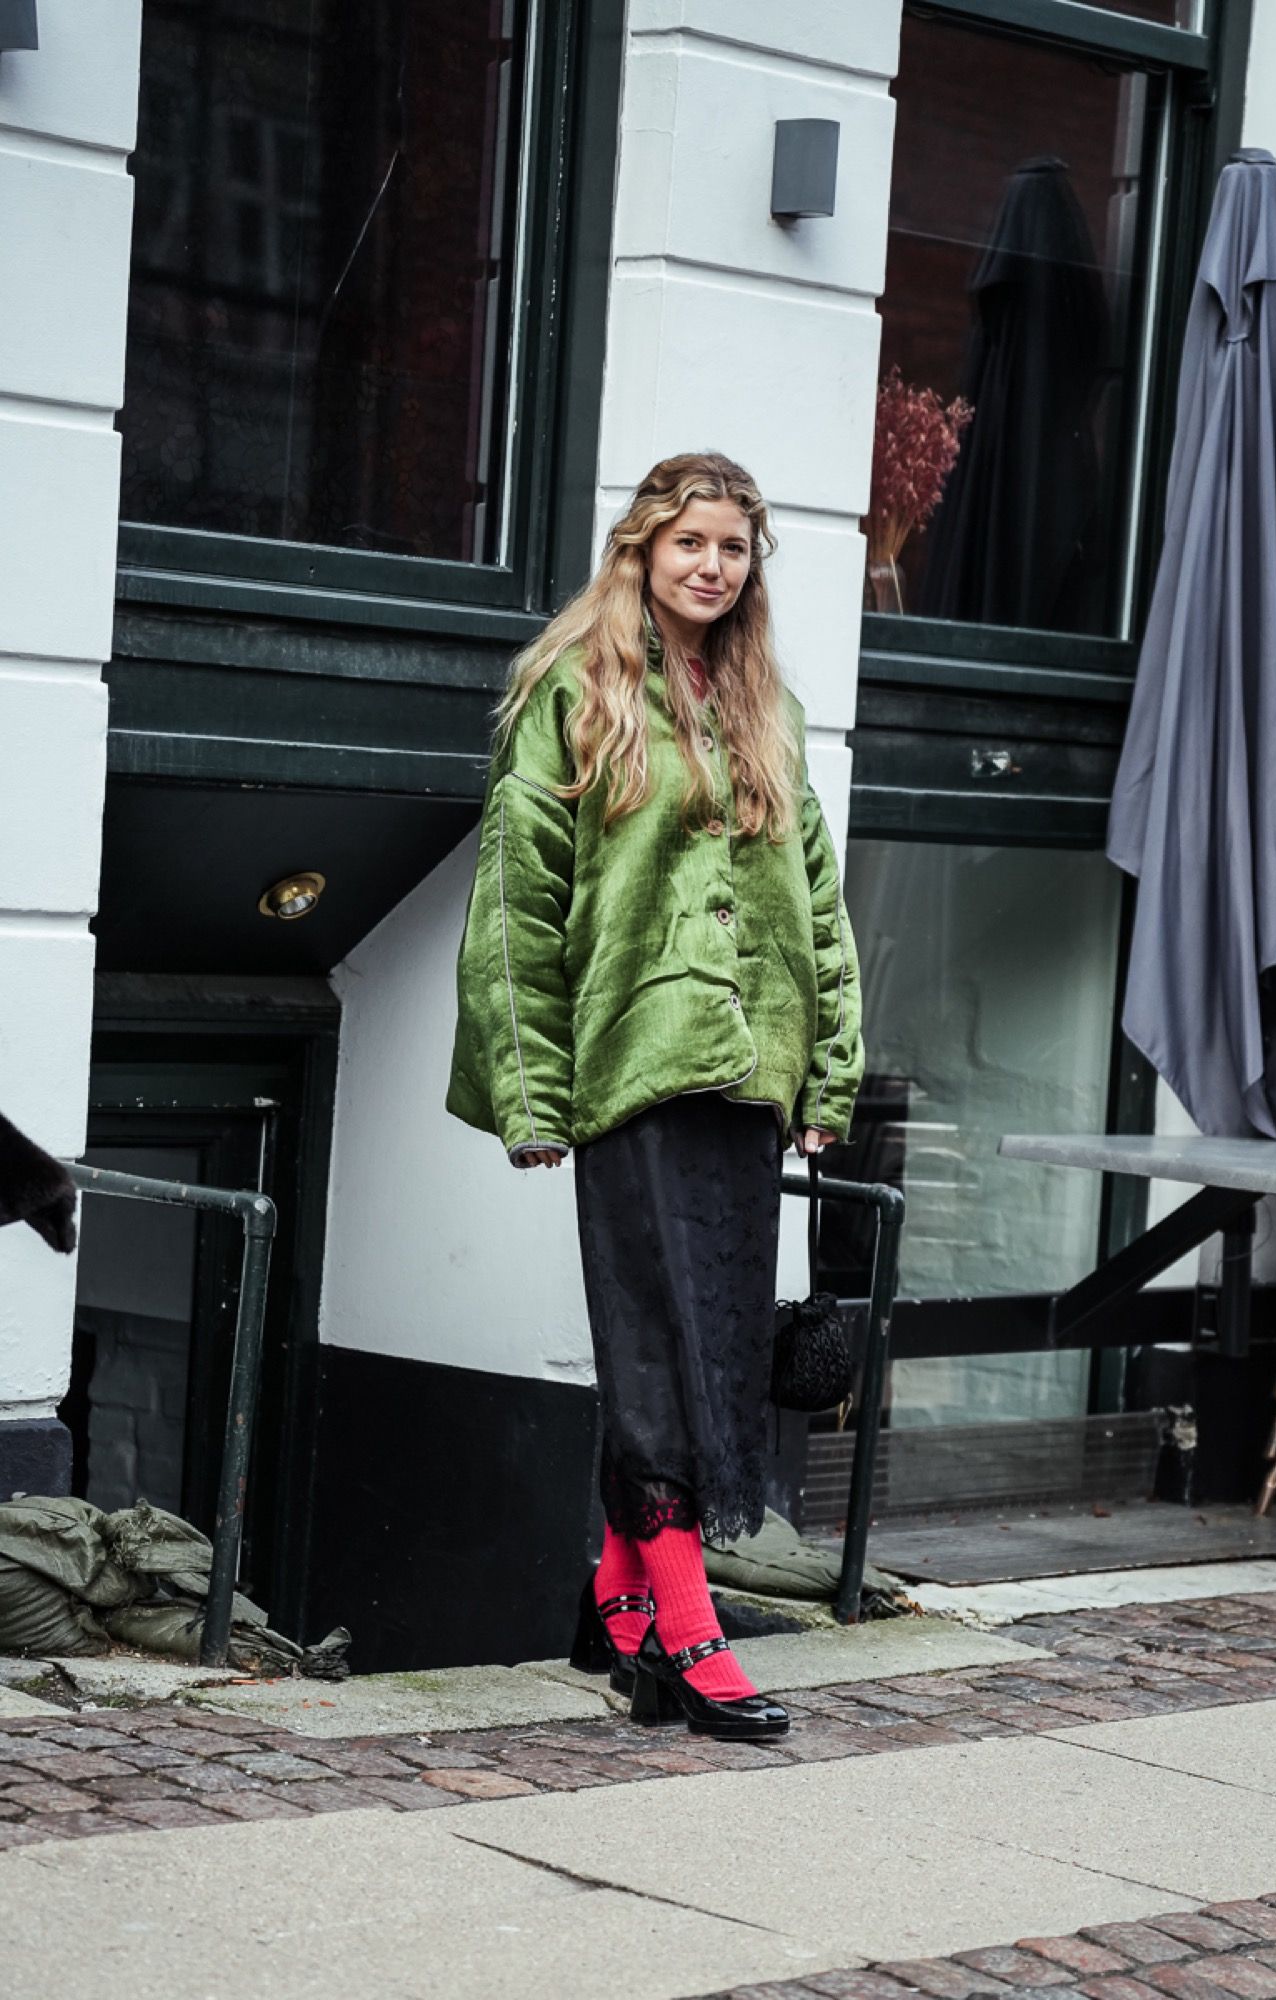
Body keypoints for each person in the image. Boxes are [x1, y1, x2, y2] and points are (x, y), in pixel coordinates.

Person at [447, 451, 864, 1740]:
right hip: (633, 1066)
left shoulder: (769, 706)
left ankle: (618, 1604)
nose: (712, 566)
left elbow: (821, 902)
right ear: (641, 549)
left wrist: (829, 1068)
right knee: (654, 1348)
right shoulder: (572, 692)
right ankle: (688, 1635)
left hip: (752, 1074)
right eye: (690, 542)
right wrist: (530, 1089)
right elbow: (516, 902)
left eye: (733, 547)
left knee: (715, 1347)